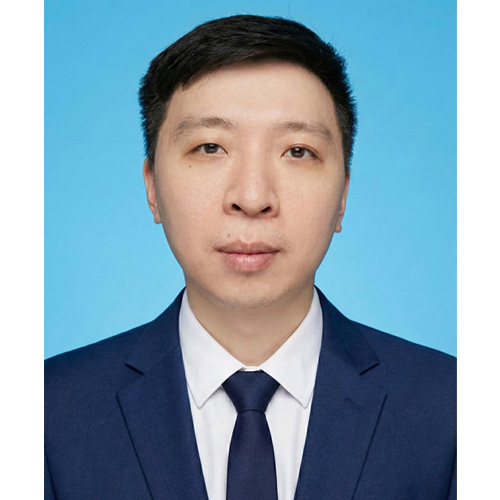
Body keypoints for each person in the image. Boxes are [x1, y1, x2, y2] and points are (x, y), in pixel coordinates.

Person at [44, 14, 456, 500]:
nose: (253, 197)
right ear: (152, 187)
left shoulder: (454, 410)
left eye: (297, 151)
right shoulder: (47, 412)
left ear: (343, 196)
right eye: (210, 147)